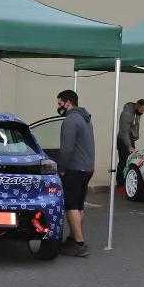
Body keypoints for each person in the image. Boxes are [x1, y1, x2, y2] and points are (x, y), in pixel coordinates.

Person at [55, 89, 95, 258]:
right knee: (78, 205)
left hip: (75, 168)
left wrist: (61, 169)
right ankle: (73, 238)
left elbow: (67, 149)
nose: (59, 106)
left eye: (60, 103)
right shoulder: (85, 118)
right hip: (87, 168)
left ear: (68, 102)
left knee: (70, 205)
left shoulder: (70, 120)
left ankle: (79, 244)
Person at [116, 98, 144, 184]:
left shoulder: (137, 113)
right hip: (123, 140)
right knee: (123, 161)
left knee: (130, 161)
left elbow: (135, 125)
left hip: (130, 139)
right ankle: (120, 182)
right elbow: (124, 132)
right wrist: (129, 146)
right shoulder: (127, 114)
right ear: (137, 105)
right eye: (141, 110)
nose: (142, 112)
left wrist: (135, 136)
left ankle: (126, 181)